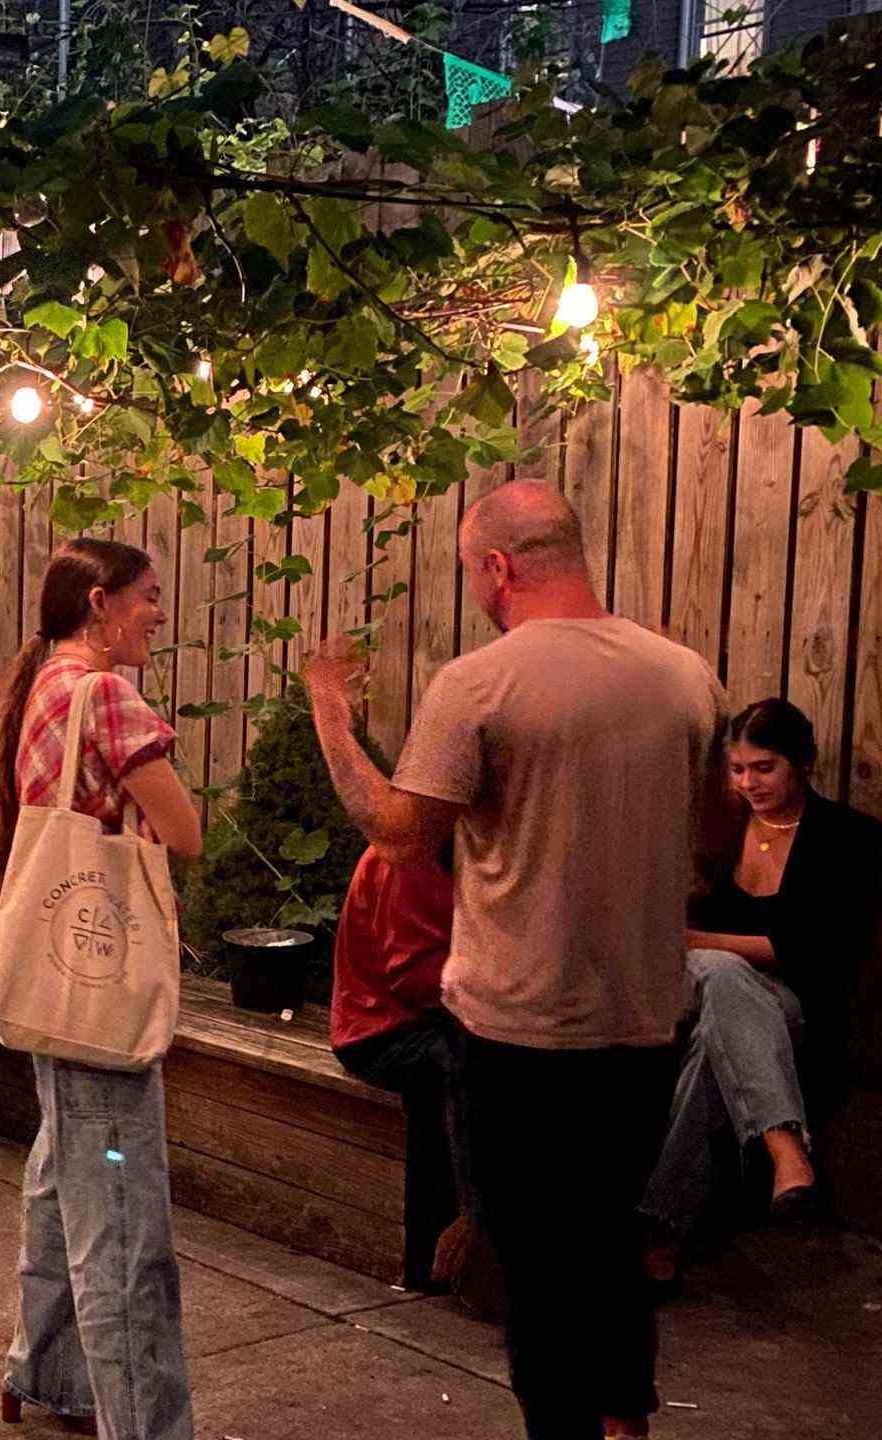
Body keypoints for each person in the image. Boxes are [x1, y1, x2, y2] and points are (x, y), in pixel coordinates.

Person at [303, 482, 726, 1440]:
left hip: (518, 1028)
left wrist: (331, 710)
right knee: (611, 1232)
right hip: (647, 1019)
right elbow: (712, 840)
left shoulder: (479, 684)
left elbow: (401, 836)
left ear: (498, 566)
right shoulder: (685, 675)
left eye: (471, 570)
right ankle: (626, 1421)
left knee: (530, 1259)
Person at [0, 538, 202, 1439]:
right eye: (148, 597)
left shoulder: (42, 688)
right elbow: (183, 831)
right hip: (101, 984)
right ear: (100, 602)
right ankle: (143, 1427)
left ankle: (50, 1375)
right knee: (121, 1233)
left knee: (60, 1178)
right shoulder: (104, 695)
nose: (158, 612)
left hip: (56, 975)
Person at [641, 698, 882, 1286]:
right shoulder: (717, 828)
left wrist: (695, 939)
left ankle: (659, 1232)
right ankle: (786, 1151)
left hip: (793, 1003)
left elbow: (813, 950)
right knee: (719, 977)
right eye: (737, 768)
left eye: (765, 767)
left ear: (802, 763)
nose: (749, 782)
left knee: (715, 1030)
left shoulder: (848, 838)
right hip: (691, 984)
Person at [328, 840, 473, 1296]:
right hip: (377, 1026)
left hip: (445, 1014)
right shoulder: (407, 857)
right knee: (452, 1069)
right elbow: (412, 978)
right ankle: (432, 1252)